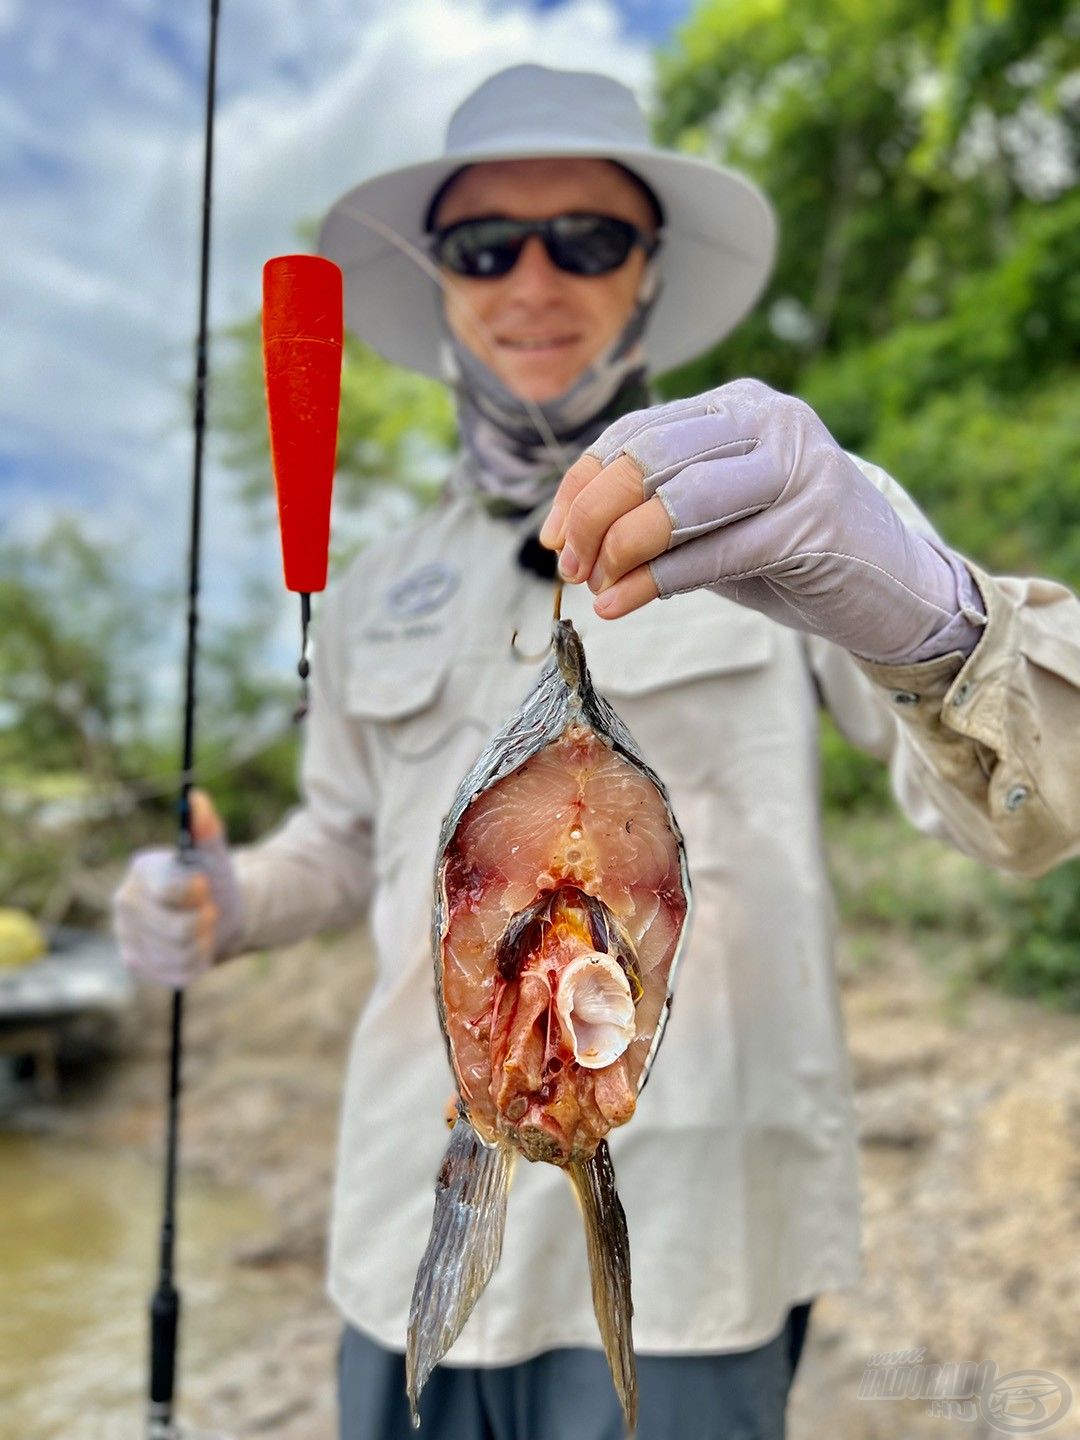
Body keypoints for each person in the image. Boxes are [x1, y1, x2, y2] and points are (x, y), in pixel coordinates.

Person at [113, 65, 1080, 1440]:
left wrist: (925, 612)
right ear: (437, 275)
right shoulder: (370, 578)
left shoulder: (799, 497)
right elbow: (343, 840)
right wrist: (226, 901)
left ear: (649, 271)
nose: (533, 281)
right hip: (406, 1209)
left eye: (588, 239)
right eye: (483, 244)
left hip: (697, 1246)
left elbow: (1026, 817)